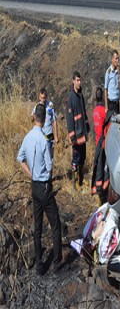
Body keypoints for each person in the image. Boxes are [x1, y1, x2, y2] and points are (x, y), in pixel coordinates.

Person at [18, 104, 62, 275]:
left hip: (34, 186)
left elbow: (20, 158)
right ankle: (57, 264)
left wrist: (31, 174)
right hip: (44, 186)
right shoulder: (43, 140)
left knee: (37, 226)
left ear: (35, 116)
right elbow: (50, 166)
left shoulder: (27, 138)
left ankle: (39, 265)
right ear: (44, 120)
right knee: (55, 224)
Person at [66, 71, 90, 189]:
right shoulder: (71, 97)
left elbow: (84, 112)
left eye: (80, 80)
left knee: (83, 157)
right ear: (73, 81)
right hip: (76, 134)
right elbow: (69, 118)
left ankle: (81, 179)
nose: (79, 83)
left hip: (83, 133)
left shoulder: (80, 95)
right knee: (76, 158)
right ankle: (75, 183)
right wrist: (72, 136)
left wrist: (87, 126)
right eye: (77, 80)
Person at [31, 88, 59, 160]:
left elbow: (55, 121)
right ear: (39, 97)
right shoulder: (38, 107)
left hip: (49, 135)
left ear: (46, 96)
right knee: (42, 157)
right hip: (41, 136)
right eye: (41, 98)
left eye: (44, 97)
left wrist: (56, 136)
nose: (43, 100)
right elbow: (32, 118)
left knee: (50, 158)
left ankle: (50, 171)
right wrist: (33, 117)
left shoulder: (50, 105)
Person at [92, 87, 109, 202]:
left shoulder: (94, 112)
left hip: (97, 142)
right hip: (103, 143)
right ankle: (103, 192)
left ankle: (98, 191)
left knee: (98, 167)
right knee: (104, 168)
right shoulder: (104, 111)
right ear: (102, 98)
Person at [104, 49, 120, 116]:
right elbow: (105, 89)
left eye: (118, 59)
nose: (117, 61)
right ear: (112, 59)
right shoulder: (108, 72)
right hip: (111, 102)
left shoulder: (118, 71)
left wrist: (119, 73)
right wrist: (106, 106)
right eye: (116, 59)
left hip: (117, 101)